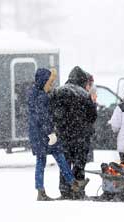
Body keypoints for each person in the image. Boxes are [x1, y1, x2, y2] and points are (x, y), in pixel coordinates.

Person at [28, 68, 89, 201]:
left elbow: (37, 117)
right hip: (44, 134)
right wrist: (50, 133)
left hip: (38, 134)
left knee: (43, 161)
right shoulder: (41, 97)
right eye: (49, 82)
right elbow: (43, 118)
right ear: (44, 82)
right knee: (58, 156)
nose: (51, 85)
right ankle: (73, 184)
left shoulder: (35, 93)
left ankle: (42, 190)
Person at [50, 66, 98, 200]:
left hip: (63, 135)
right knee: (79, 162)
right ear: (82, 80)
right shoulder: (84, 94)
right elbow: (93, 116)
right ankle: (77, 190)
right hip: (80, 136)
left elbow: (50, 113)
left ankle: (65, 190)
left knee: (65, 162)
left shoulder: (57, 92)